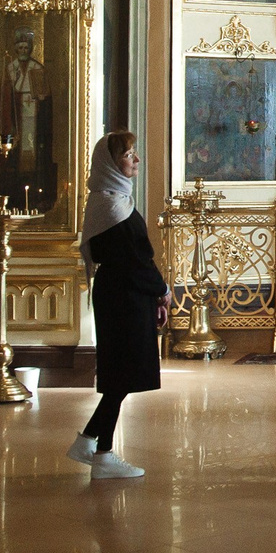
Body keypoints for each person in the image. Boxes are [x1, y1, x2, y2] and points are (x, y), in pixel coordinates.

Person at [70, 130, 170, 480]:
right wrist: (162, 291)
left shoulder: (110, 200)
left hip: (122, 293)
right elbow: (136, 260)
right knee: (122, 374)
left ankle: (91, 442)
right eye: (129, 154)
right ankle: (101, 452)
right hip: (125, 296)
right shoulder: (112, 207)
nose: (136, 159)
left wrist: (154, 292)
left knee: (121, 375)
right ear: (111, 164)